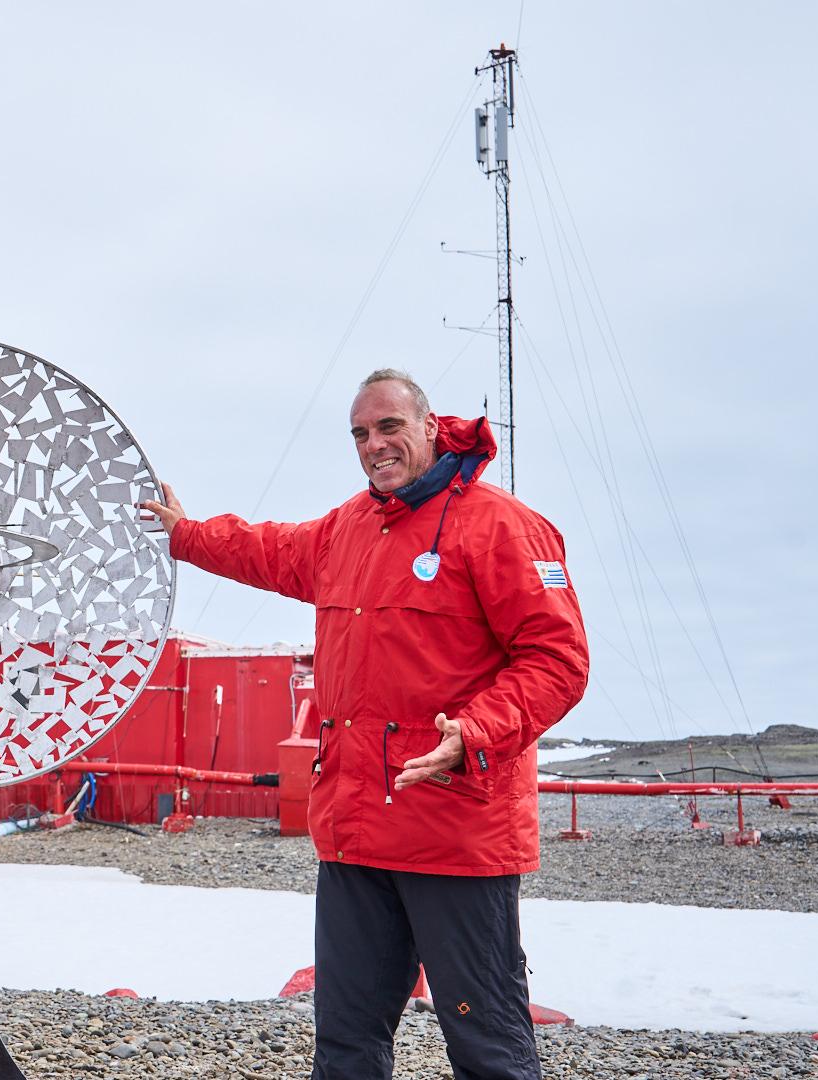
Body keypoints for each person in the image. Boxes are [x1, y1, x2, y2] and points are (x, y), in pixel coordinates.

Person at [141, 370, 589, 1079]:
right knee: (346, 1043)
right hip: (355, 835)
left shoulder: (502, 526)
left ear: (431, 425)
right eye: (359, 433)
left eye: (388, 427)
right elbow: (266, 549)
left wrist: (472, 734)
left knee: (488, 1045)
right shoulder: (346, 529)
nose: (373, 445)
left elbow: (558, 661)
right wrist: (188, 534)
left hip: (458, 835)